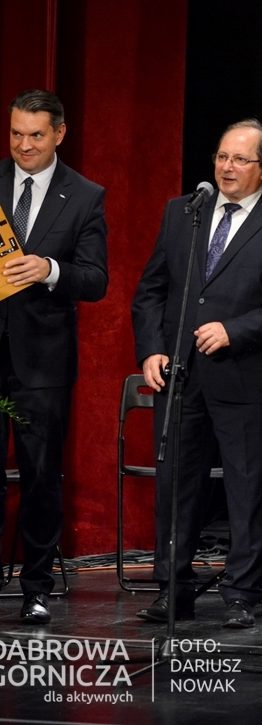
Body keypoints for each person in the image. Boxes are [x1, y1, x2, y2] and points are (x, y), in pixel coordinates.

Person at [0, 89, 108, 625]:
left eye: (36, 135)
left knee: (40, 475)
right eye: (16, 133)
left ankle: (37, 587)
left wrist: (49, 270)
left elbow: (96, 279)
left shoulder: (85, 195)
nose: (24, 145)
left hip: (42, 362)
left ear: (59, 133)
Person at [132, 119, 262, 628]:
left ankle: (243, 593)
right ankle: (173, 588)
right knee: (176, 484)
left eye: (240, 159)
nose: (227, 167)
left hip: (244, 375)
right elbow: (151, 290)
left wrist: (236, 330)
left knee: (246, 488)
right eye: (222, 156)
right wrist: (151, 349)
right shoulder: (183, 211)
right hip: (180, 375)